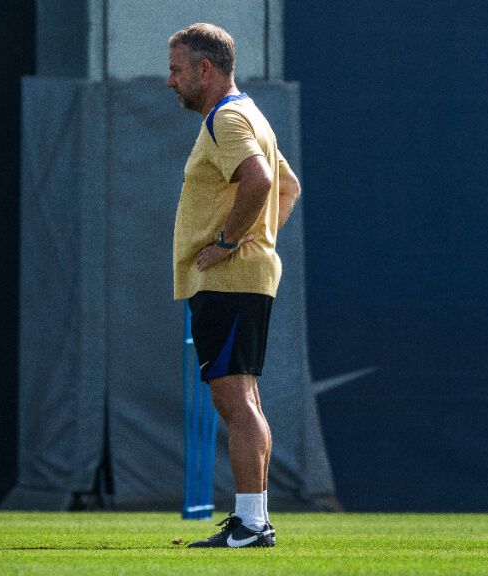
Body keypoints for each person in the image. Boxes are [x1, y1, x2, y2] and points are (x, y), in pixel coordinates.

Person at [166, 24, 301, 548]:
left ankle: (250, 525)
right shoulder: (251, 114)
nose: (170, 81)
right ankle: (253, 520)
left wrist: (229, 243)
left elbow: (264, 181)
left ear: (205, 69)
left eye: (177, 69)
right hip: (245, 277)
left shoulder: (226, 117)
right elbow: (289, 187)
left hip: (228, 281)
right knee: (246, 401)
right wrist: (259, 240)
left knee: (236, 404)